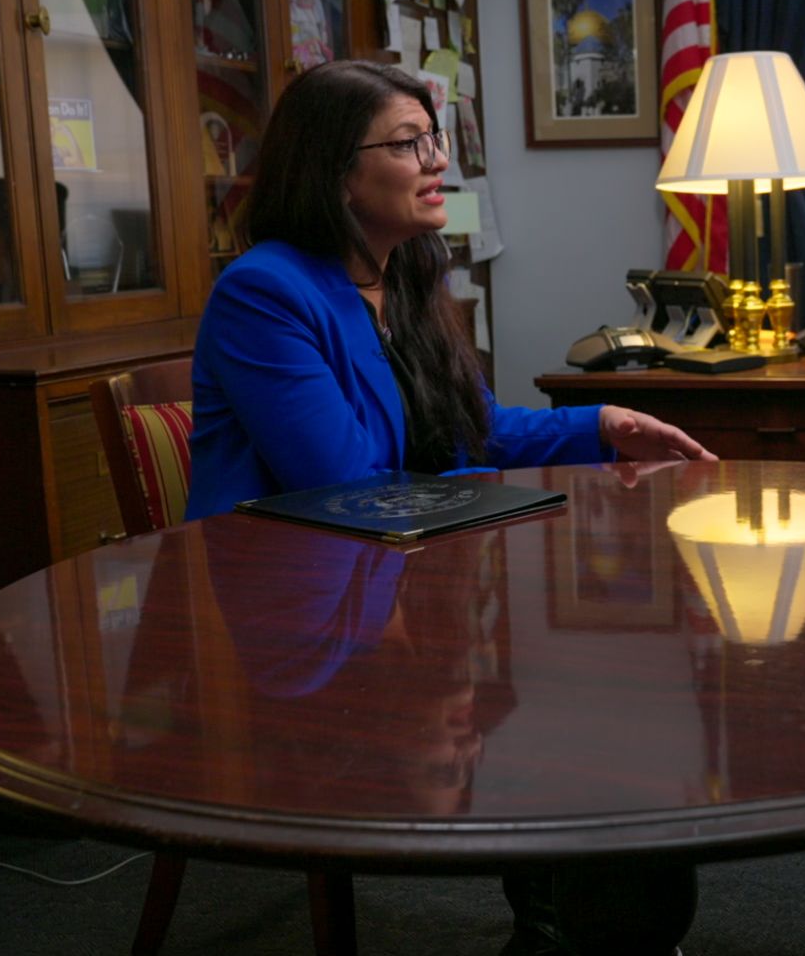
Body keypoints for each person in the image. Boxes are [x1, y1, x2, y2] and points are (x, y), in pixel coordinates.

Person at [185, 60, 712, 955]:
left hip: (396, 586)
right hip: (303, 629)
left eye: (434, 140)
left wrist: (606, 423)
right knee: (586, 738)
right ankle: (558, 920)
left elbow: (475, 432)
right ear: (333, 170)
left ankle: (559, 919)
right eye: (408, 143)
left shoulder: (408, 278)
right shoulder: (266, 293)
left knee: (623, 720)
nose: (438, 163)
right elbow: (346, 480)